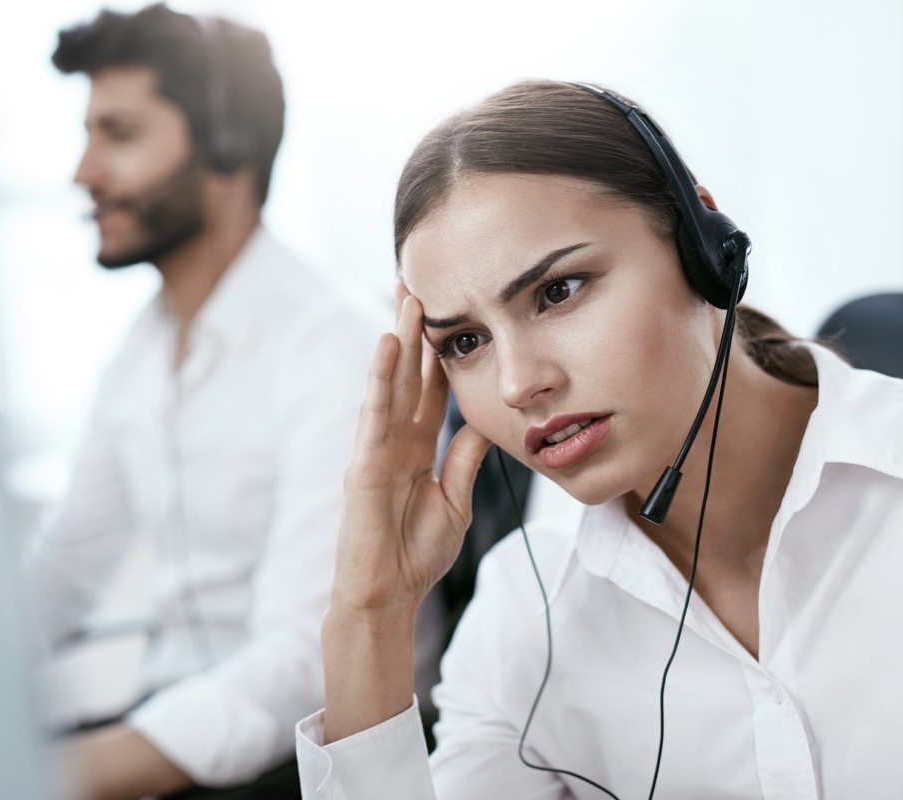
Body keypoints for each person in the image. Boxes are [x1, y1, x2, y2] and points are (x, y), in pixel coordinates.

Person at [295, 80, 903, 798]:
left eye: (558, 291)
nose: (519, 384)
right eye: (465, 341)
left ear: (702, 244)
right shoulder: (523, 624)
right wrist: (371, 612)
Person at [23, 5, 383, 798]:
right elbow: (63, 570)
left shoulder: (328, 346)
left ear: (226, 146)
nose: (83, 170)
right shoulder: (141, 351)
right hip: (177, 722)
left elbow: (304, 663)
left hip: (293, 757)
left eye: (118, 134)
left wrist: (44, 778)